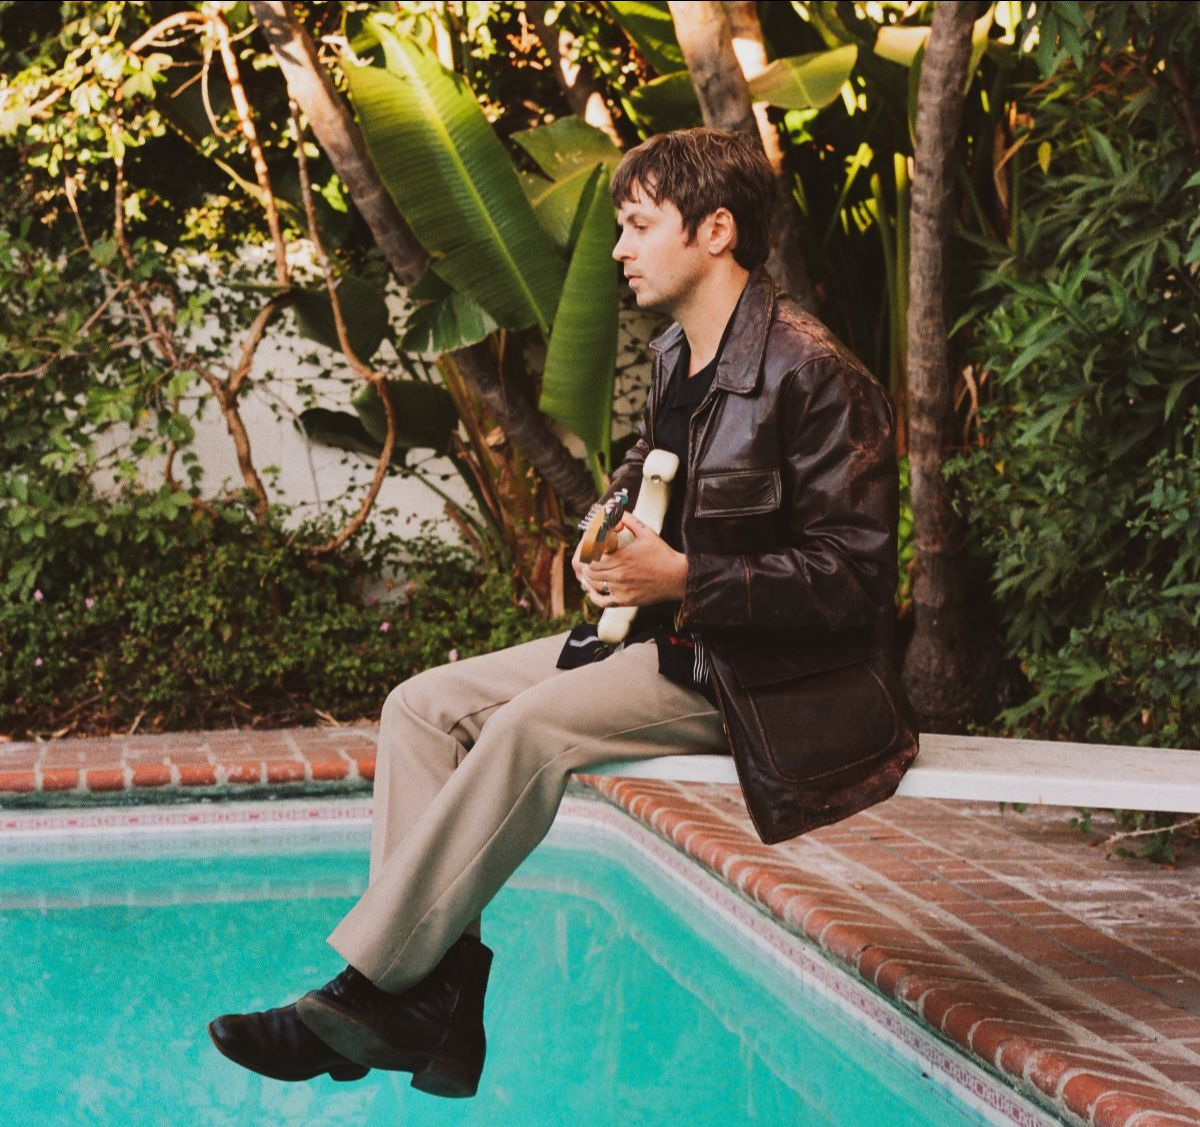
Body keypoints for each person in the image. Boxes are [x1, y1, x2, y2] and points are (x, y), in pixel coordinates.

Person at [208, 127, 918, 1096]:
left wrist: (686, 578)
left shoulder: (814, 371)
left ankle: (377, 989)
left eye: (638, 225)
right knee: (422, 705)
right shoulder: (678, 356)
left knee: (529, 727)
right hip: (662, 640)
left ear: (715, 230)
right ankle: (434, 1000)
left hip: (766, 675)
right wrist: (607, 535)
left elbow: (856, 578)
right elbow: (648, 475)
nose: (619, 248)